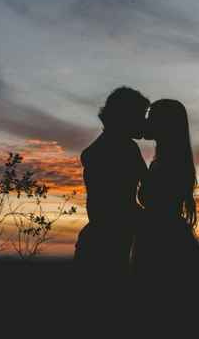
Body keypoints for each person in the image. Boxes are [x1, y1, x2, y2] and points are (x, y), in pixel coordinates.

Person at [131, 99, 199, 307]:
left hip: (161, 238)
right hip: (164, 234)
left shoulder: (167, 164)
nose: (146, 122)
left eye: (152, 118)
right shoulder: (169, 160)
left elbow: (157, 206)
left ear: (164, 124)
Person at [73, 86, 150, 302]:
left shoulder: (117, 147)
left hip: (104, 241)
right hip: (108, 246)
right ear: (126, 116)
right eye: (141, 116)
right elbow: (129, 202)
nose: (144, 122)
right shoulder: (122, 149)